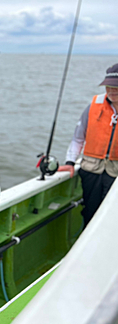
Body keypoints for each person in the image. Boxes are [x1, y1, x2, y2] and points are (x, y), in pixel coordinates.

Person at [58, 63, 118, 227]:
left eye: (116, 87)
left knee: (112, 218)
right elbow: (78, 138)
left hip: (115, 174)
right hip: (91, 170)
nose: (111, 91)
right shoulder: (94, 105)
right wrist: (70, 162)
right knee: (90, 212)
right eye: (108, 86)